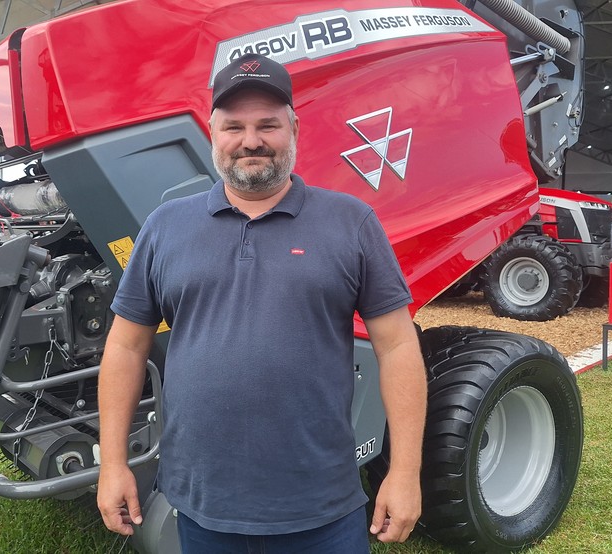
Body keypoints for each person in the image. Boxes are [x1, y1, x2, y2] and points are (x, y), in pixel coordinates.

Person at [95, 53, 427, 552]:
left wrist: (404, 472)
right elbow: (124, 348)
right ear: (212, 132)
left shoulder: (351, 222)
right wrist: (114, 464)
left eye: (268, 124)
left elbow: (399, 347)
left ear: (294, 127)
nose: (251, 140)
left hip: (323, 506)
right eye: (234, 126)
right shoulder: (166, 226)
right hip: (204, 507)